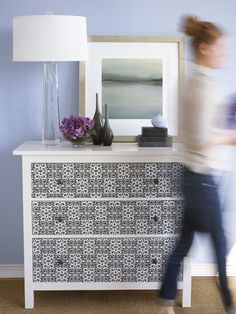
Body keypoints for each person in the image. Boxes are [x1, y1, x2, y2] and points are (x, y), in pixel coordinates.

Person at [157, 15, 236, 314]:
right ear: (204, 48)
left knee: (183, 243)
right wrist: (230, 135)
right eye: (221, 49)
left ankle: (165, 304)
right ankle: (229, 304)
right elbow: (202, 137)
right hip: (202, 179)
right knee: (220, 240)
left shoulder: (193, 81)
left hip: (192, 175)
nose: (225, 54)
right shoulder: (203, 86)